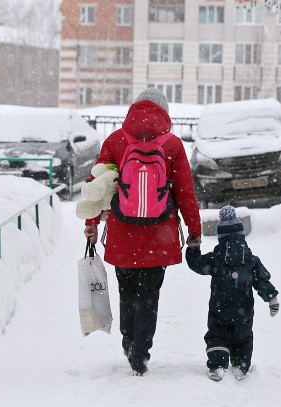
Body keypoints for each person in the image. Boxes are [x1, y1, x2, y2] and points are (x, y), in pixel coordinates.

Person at [83, 88, 202, 376]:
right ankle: (141, 351)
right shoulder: (172, 144)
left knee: (127, 291)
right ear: (164, 112)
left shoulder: (116, 140)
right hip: (158, 236)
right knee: (149, 295)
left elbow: (97, 185)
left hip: (123, 232)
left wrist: (91, 224)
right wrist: (194, 231)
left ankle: (128, 340)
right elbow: (186, 192)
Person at [185, 205, 279, 382]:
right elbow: (262, 280)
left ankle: (218, 366)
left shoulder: (215, 259)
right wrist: (271, 297)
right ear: (241, 236)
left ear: (221, 238)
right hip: (244, 310)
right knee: (243, 337)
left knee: (217, 335)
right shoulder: (251, 260)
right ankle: (240, 366)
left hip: (219, 308)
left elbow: (196, 264)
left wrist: (193, 249)